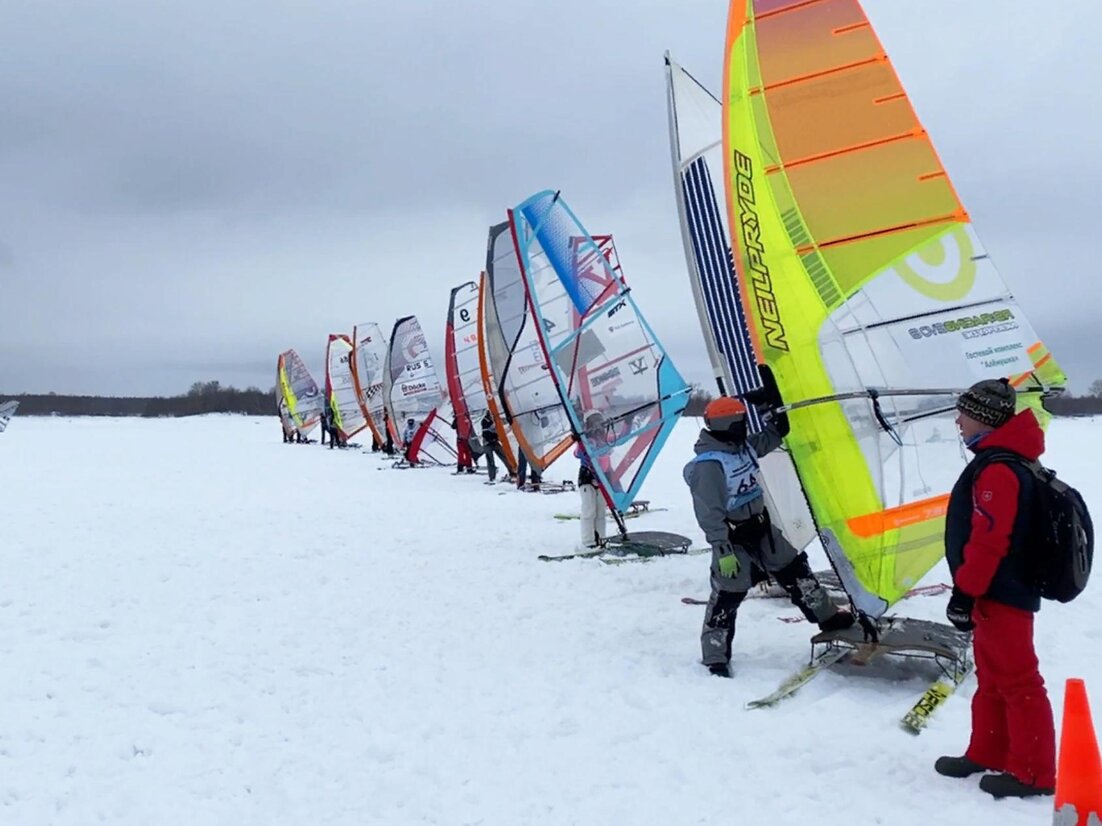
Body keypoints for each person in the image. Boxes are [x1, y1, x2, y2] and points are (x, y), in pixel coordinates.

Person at [934, 378, 1055, 799]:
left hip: (1003, 592)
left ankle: (1035, 773)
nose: (958, 421)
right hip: (992, 592)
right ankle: (988, 751)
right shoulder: (997, 460)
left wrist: (964, 593)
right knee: (990, 677)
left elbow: (989, 541)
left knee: (1019, 681)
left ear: (982, 417)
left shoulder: (999, 469)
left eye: (963, 413)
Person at [684, 396, 853, 678]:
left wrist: (770, 409)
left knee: (796, 572)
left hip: (762, 530)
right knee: (728, 595)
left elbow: (774, 436)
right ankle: (715, 656)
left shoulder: (743, 448)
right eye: (740, 421)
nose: (744, 426)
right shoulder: (708, 466)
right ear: (728, 424)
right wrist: (722, 550)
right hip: (733, 540)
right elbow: (709, 513)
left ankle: (828, 616)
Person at [577, 412, 608, 549]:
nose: (598, 426)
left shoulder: (604, 440)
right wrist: (581, 437)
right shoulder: (586, 441)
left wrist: (628, 423)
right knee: (589, 511)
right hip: (587, 478)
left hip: (602, 479)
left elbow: (621, 437)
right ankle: (588, 542)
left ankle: (601, 539)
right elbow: (578, 452)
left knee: (601, 512)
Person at [480, 411, 510, 483]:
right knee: (490, 460)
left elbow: (500, 424)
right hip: (487, 443)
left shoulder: (496, 419)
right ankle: (492, 477)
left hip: (495, 442)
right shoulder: (485, 421)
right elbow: (489, 430)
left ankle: (512, 471)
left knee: (505, 457)